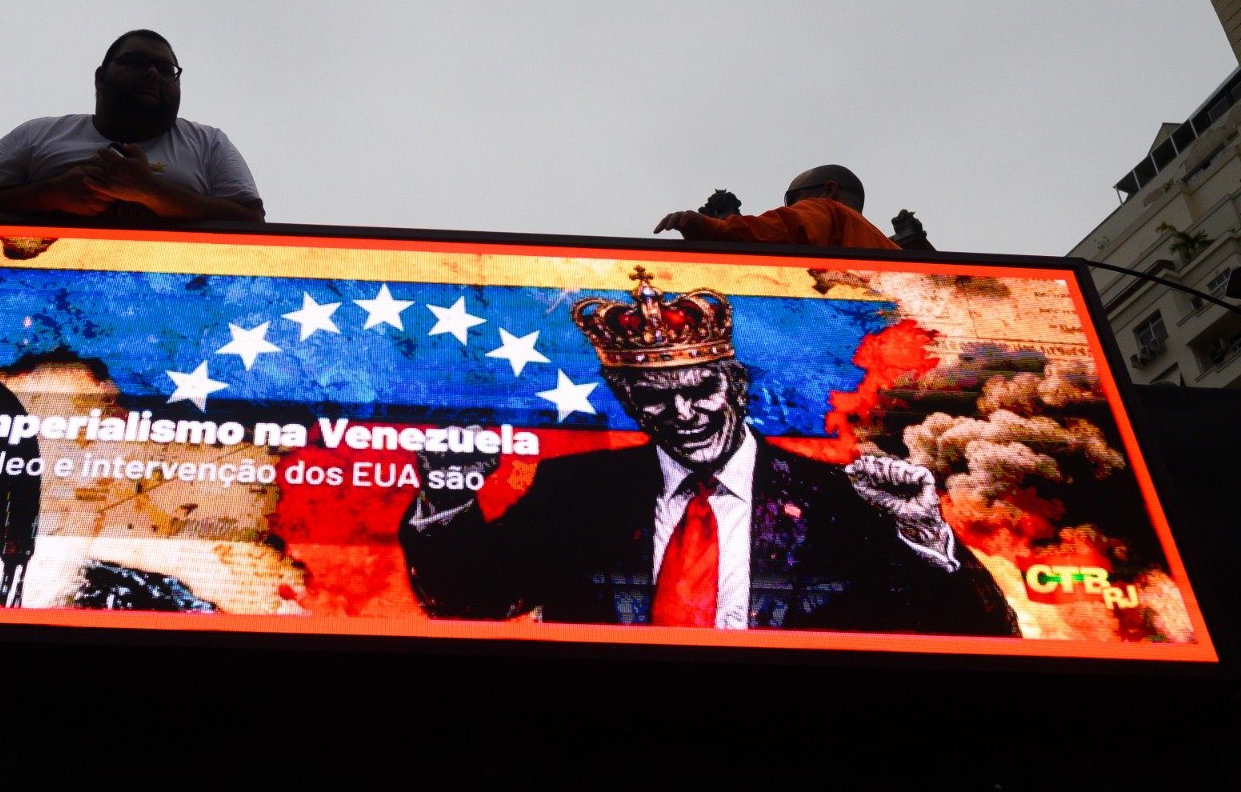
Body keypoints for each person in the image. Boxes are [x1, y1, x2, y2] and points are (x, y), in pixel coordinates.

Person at [399, 267, 1017, 634]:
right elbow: (469, 603)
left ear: (737, 388)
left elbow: (975, 636)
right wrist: (446, 503)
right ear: (631, 402)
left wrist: (924, 535)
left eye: (701, 391)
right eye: (655, 398)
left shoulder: (837, 499)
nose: (684, 413)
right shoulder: (576, 491)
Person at [0, 30, 264, 224]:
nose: (153, 73)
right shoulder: (38, 135)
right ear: (101, 77)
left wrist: (150, 191)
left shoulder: (209, 143)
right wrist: (52, 193)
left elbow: (252, 220)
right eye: (136, 62)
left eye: (166, 69)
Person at [654, 164, 896, 249]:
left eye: (792, 199)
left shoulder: (828, 209)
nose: (792, 207)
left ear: (829, 190)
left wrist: (710, 228)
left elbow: (777, 231)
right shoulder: (893, 250)